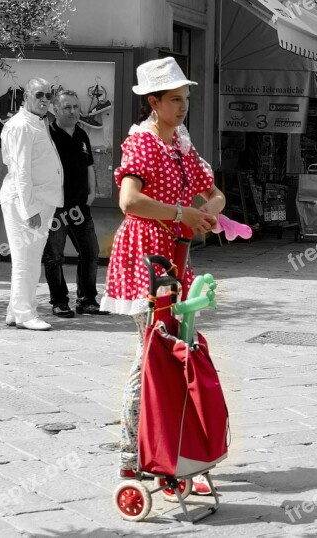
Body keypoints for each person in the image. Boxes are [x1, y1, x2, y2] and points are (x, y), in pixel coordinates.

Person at [100, 58, 225, 495]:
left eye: (186, 97)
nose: (183, 105)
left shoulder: (180, 145)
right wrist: (180, 213)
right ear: (153, 102)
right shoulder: (143, 143)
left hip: (174, 253)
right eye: (175, 99)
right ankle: (132, 457)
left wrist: (206, 213)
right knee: (153, 350)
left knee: (173, 349)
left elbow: (216, 193)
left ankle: (170, 451)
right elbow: (129, 202)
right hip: (144, 254)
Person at [0, 78, 64, 331]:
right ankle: (26, 314)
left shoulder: (36, 122)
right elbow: (21, 172)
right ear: (26, 96)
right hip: (27, 201)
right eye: (39, 94)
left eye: (49, 95)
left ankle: (15, 311)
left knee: (26, 259)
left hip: (39, 200)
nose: (45, 99)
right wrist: (29, 209)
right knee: (26, 260)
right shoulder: (21, 126)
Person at [42, 90, 108, 318]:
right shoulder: (46, 135)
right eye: (67, 107)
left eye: (75, 107)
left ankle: (87, 300)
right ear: (55, 110)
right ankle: (59, 301)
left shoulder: (82, 134)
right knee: (54, 257)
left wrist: (92, 192)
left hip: (81, 208)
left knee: (90, 254)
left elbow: (89, 165)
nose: (72, 111)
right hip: (56, 209)